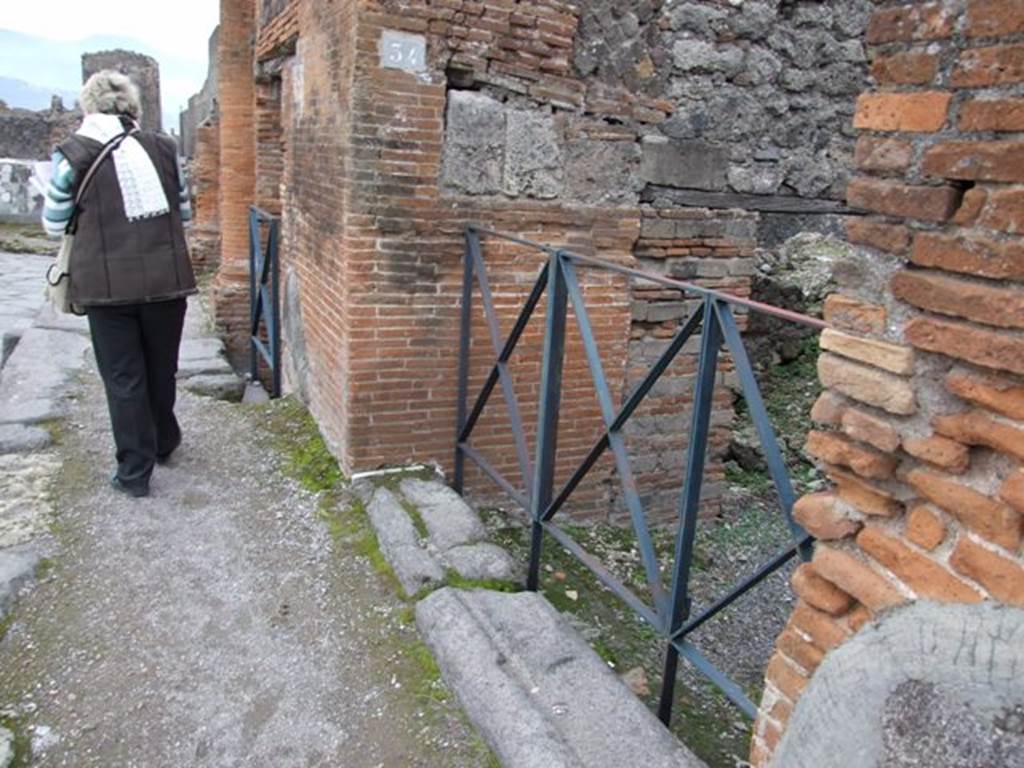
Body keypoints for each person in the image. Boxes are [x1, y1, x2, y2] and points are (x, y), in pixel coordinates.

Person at [42, 70, 197, 498]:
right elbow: (184, 215)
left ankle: (134, 471)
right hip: (166, 280)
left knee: (124, 376)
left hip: (106, 287)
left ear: (89, 107)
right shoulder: (165, 149)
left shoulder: (73, 154)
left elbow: (54, 222)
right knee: (161, 367)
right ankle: (164, 442)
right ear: (132, 108)